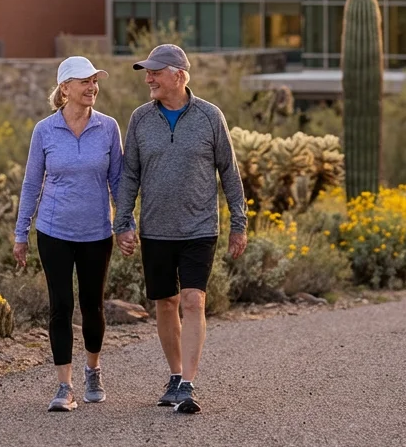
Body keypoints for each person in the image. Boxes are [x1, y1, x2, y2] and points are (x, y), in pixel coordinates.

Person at [114, 44, 247, 414]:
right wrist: (122, 222)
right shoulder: (141, 119)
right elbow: (129, 175)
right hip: (155, 228)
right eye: (147, 73)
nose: (149, 79)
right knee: (165, 302)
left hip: (199, 228)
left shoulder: (209, 116)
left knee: (193, 299)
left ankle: (187, 384)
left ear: (179, 75)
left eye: (155, 72)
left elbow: (230, 173)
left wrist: (239, 223)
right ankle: (174, 376)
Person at [13, 56, 124, 413]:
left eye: (95, 81)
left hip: (96, 231)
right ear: (65, 89)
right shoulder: (44, 131)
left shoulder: (108, 128)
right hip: (53, 231)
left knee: (92, 305)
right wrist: (21, 233)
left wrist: (126, 225)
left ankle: (93, 370)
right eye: (84, 81)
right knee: (61, 307)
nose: (92, 87)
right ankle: (64, 386)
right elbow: (32, 184)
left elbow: (119, 181)